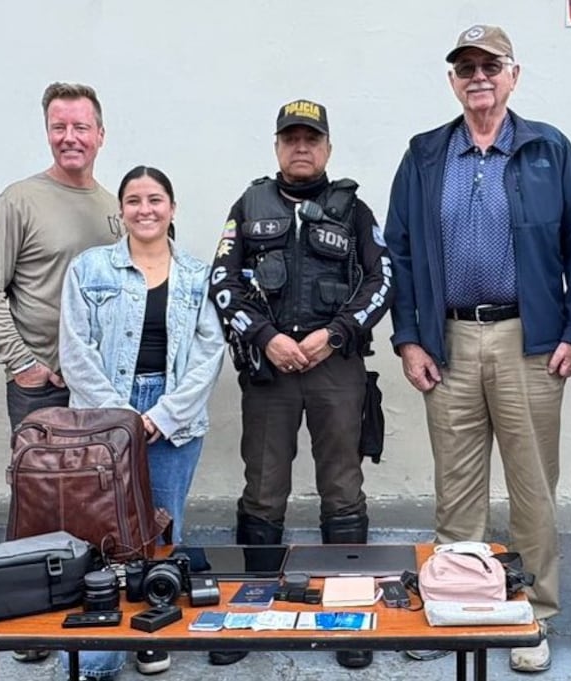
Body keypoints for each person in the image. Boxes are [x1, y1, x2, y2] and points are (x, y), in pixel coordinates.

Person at [383, 25, 571, 673]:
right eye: (465, 67)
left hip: (527, 339)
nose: (478, 76)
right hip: (445, 342)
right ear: (452, 80)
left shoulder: (546, 149)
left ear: (513, 75)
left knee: (532, 488)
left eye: (490, 65)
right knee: (457, 492)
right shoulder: (424, 154)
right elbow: (400, 250)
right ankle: (456, 609)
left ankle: (532, 614)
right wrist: (408, 337)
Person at [209, 98, 392, 670]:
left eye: (312, 138)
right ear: (277, 147)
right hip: (270, 369)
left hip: (335, 368)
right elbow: (223, 280)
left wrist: (334, 335)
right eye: (291, 138)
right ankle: (246, 615)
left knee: (342, 487)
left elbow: (383, 281)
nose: (302, 147)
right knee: (263, 489)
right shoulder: (249, 204)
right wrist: (265, 336)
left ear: (328, 147)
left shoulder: (354, 210)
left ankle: (349, 617)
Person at [0, 81, 119, 670]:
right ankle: (28, 621)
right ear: (47, 132)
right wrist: (20, 360)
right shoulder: (20, 200)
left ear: (100, 134)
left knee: (93, 500)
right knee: (35, 503)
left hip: (96, 388)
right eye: (59, 126)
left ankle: (89, 608)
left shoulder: (113, 205)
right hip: (40, 385)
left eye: (81, 126)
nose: (70, 137)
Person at [59, 165, 225, 677]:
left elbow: (208, 353)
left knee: (162, 530)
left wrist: (162, 414)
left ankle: (154, 629)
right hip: (106, 414)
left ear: (172, 209)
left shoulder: (198, 276)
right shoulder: (90, 270)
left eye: (155, 200)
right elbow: (75, 349)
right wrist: (124, 416)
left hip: (173, 420)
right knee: (101, 534)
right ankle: (101, 654)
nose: (145, 209)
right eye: (134, 200)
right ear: (122, 211)